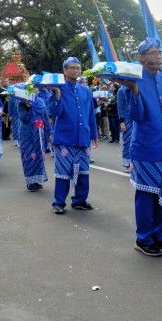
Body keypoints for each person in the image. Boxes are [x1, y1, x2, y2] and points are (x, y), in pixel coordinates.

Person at [116, 38, 162, 257]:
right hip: (146, 148)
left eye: (159, 53)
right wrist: (134, 90)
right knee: (146, 196)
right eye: (153, 53)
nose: (158, 57)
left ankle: (160, 235)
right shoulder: (132, 81)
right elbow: (136, 116)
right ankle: (143, 238)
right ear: (141, 58)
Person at [49, 57, 98, 214]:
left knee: (84, 172)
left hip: (83, 136)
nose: (76, 70)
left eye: (78, 68)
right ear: (64, 70)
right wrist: (56, 93)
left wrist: (94, 134)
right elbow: (54, 112)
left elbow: (90, 114)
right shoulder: (59, 88)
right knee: (63, 173)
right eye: (72, 68)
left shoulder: (85, 91)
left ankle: (79, 200)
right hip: (65, 137)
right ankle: (59, 202)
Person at [17, 89, 51, 192]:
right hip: (28, 134)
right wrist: (27, 107)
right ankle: (30, 182)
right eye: (32, 88)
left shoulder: (41, 101)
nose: (36, 89)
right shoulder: (21, 103)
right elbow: (24, 118)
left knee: (39, 157)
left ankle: (37, 180)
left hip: (40, 134)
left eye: (36, 88)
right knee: (29, 157)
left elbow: (45, 118)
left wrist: (49, 133)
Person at [117, 84, 132, 172]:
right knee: (127, 141)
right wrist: (122, 122)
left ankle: (133, 163)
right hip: (126, 119)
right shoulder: (121, 90)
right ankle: (126, 164)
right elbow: (120, 107)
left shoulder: (134, 87)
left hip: (135, 119)